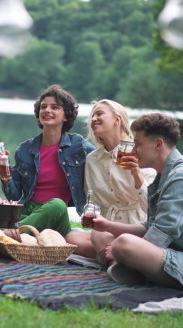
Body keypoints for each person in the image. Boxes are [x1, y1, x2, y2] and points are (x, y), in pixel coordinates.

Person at [94, 113, 183, 292]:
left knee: (123, 244)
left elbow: (161, 234)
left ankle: (128, 267)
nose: (133, 152)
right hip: (173, 254)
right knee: (99, 234)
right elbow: (149, 227)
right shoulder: (165, 174)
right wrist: (109, 225)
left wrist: (119, 251)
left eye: (138, 145)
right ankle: (129, 269)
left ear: (158, 144)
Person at [0, 85, 96, 239]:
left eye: (55, 107)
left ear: (66, 115)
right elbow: (14, 196)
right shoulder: (25, 149)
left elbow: (102, 158)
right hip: (27, 211)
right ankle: (21, 234)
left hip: (55, 214)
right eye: (43, 107)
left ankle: (12, 235)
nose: (47, 110)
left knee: (57, 204)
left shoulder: (77, 145)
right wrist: (4, 174)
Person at [65, 100, 156, 263]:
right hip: (108, 230)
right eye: (92, 115)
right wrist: (92, 213)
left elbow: (152, 208)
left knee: (101, 238)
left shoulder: (138, 152)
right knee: (73, 237)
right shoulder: (92, 160)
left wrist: (136, 174)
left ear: (117, 119)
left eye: (99, 113)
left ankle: (115, 260)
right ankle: (123, 257)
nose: (93, 119)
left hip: (138, 227)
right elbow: (94, 200)